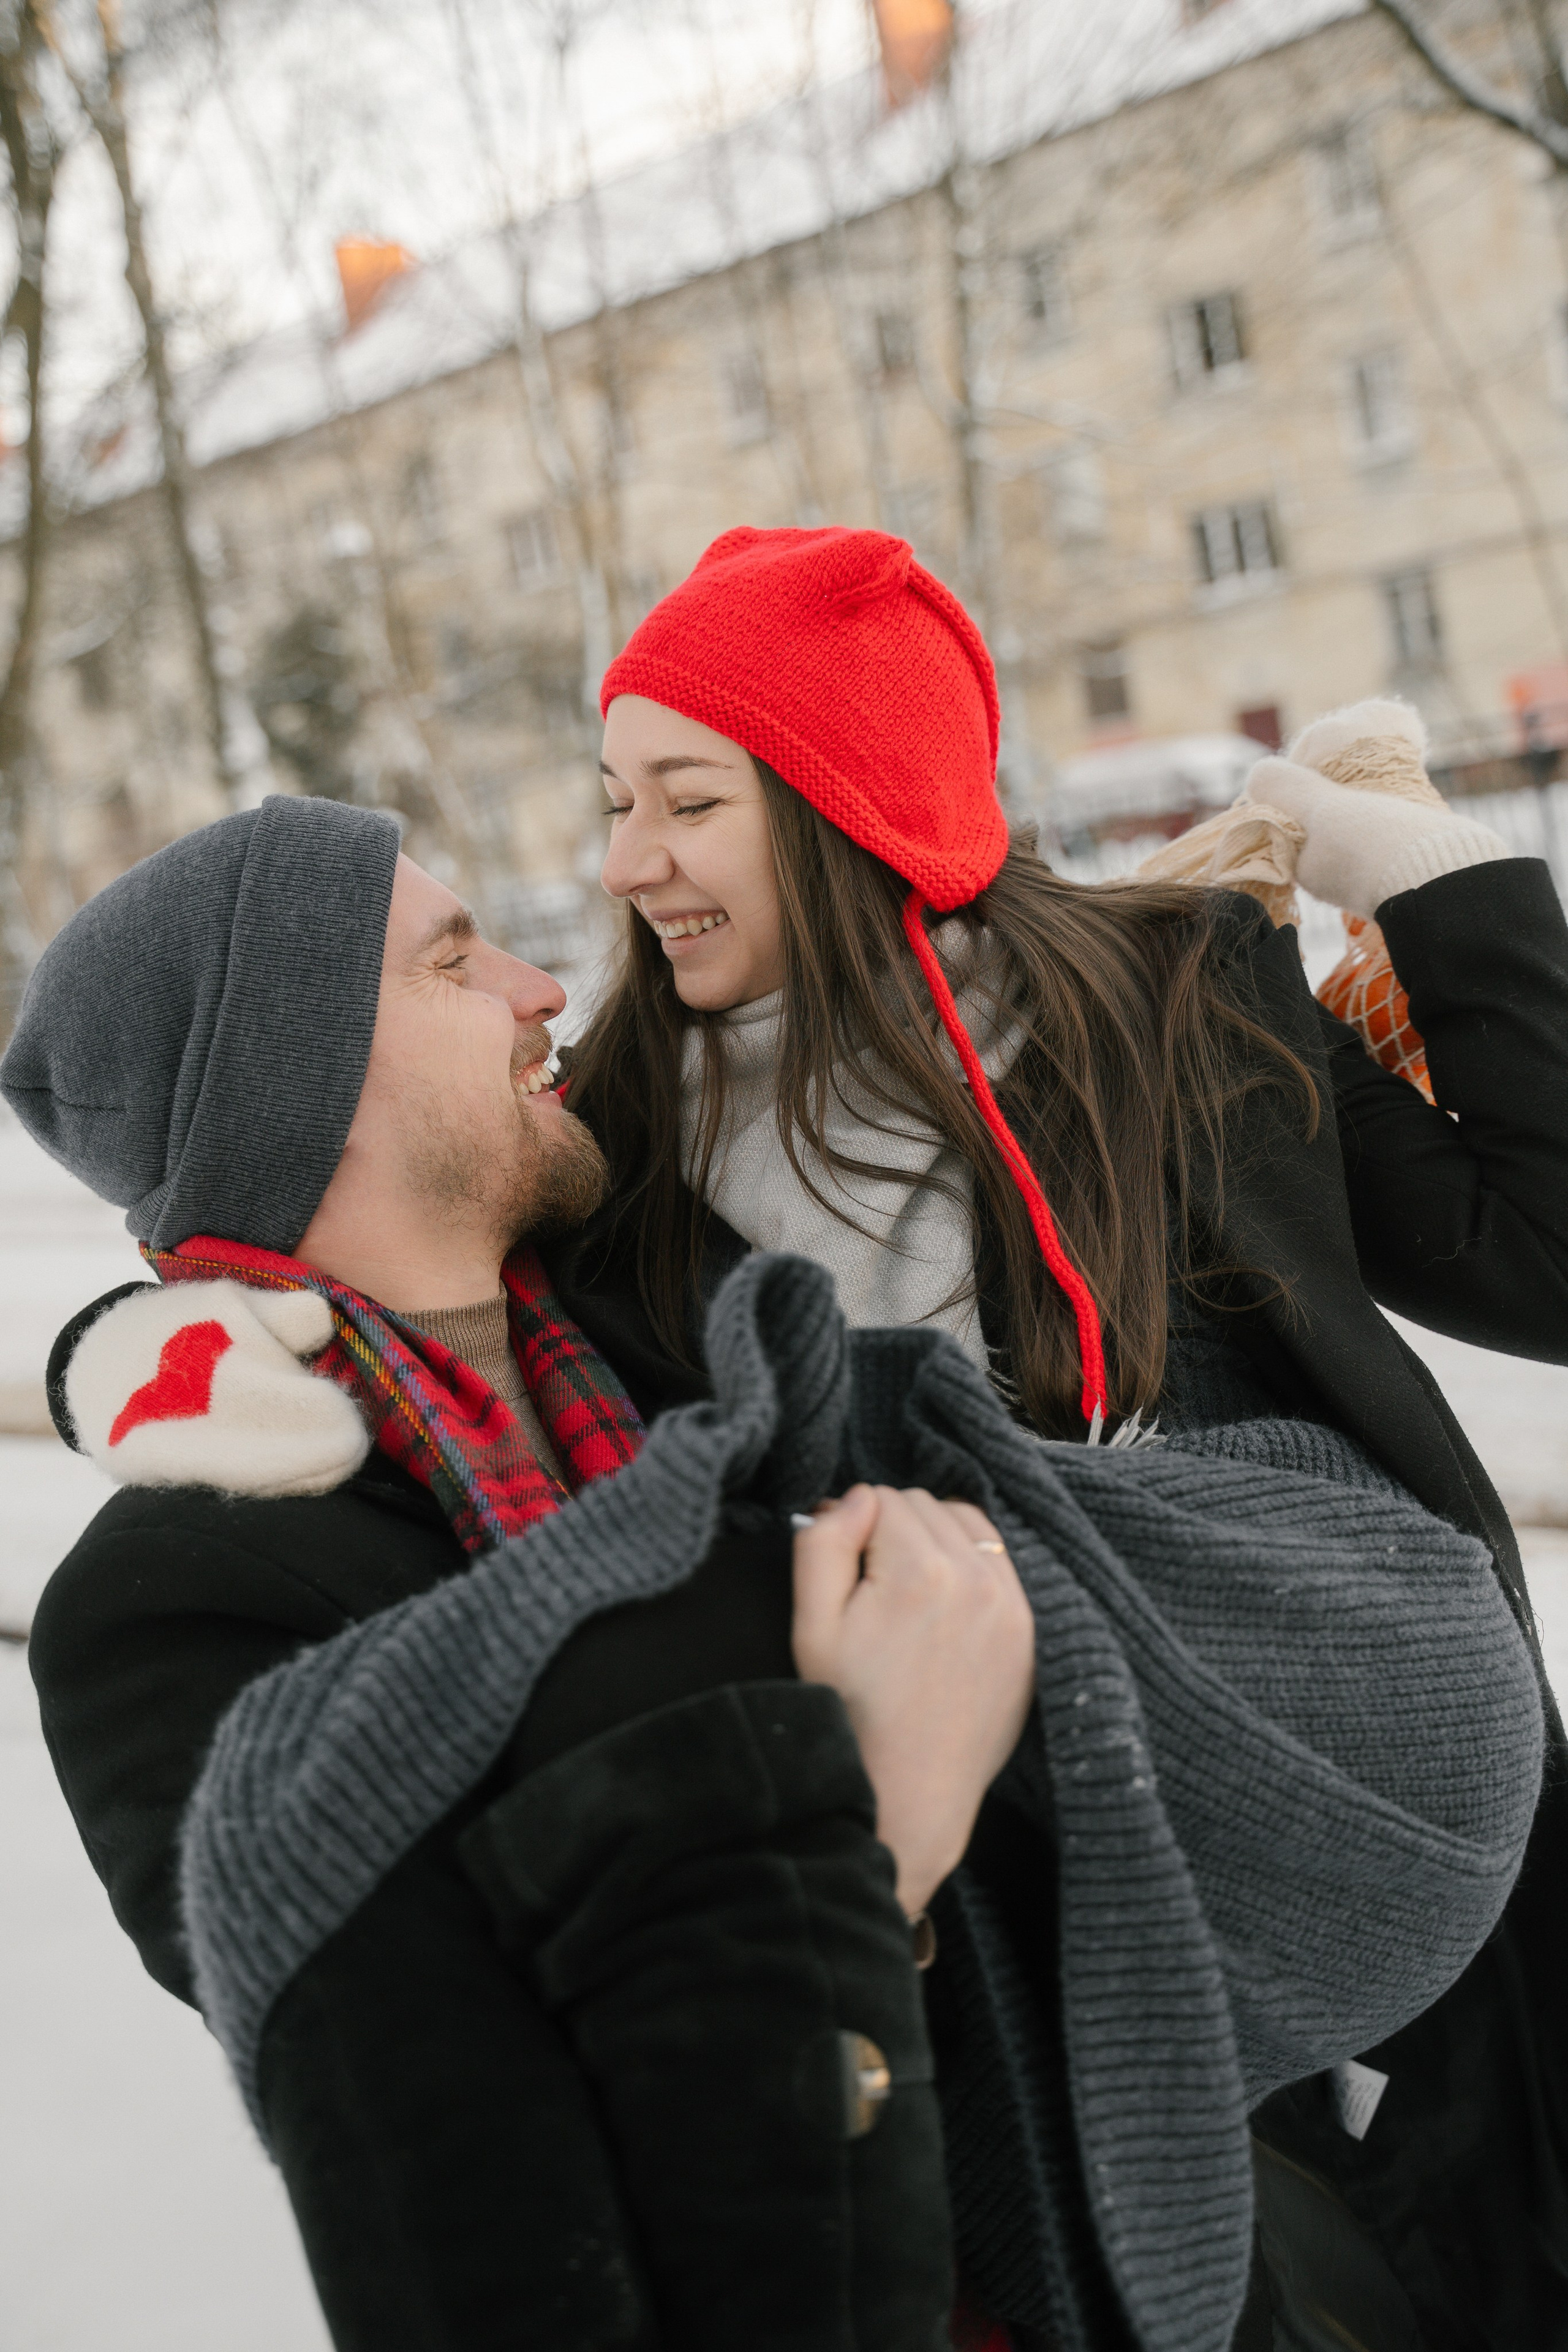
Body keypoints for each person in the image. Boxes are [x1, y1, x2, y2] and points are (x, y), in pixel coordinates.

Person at [9, 526, 1563, 2350]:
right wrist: (879, 1841)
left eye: (686, 798)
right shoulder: (606, 1183)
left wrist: (1445, 888)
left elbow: (1535, 1248)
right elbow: (347, 1266)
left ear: (846, 803)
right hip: (1043, 2073)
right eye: (612, 803)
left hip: (1342, 1883)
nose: (597, 895)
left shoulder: (1146, 1010)